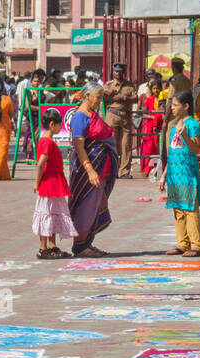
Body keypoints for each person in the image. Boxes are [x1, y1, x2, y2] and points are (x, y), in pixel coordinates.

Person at [66, 83, 117, 257]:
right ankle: (80, 247)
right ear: (87, 96)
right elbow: (79, 146)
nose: (99, 101)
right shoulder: (80, 117)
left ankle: (87, 243)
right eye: (98, 97)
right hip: (87, 171)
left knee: (94, 206)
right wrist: (90, 170)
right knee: (85, 207)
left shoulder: (91, 114)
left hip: (100, 169)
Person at [161, 90, 200, 257]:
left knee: (190, 209)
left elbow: (195, 148)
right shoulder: (174, 127)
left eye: (175, 105)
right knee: (178, 210)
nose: (171, 108)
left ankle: (197, 245)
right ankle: (183, 243)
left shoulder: (193, 125)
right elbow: (172, 151)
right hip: (174, 174)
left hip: (187, 173)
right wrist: (165, 174)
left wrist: (185, 134)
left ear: (186, 106)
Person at [33, 108, 75, 259]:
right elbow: (40, 164)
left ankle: (52, 245)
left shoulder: (46, 141)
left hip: (53, 182)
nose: (59, 127)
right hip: (48, 183)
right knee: (47, 214)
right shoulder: (47, 142)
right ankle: (43, 248)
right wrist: (37, 183)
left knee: (52, 214)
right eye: (58, 125)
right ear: (52, 124)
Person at [103, 62, 135, 179]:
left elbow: (136, 98)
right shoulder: (108, 85)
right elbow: (101, 96)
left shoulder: (130, 85)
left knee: (126, 145)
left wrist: (124, 97)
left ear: (124, 72)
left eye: (120, 71)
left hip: (125, 117)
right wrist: (107, 92)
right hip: (112, 115)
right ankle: (112, 170)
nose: (118, 73)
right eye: (116, 71)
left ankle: (124, 172)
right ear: (113, 72)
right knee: (112, 144)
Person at [139, 76, 165, 177]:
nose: (156, 90)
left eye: (157, 88)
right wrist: (152, 117)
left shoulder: (164, 100)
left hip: (160, 125)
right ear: (151, 89)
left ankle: (159, 169)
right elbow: (143, 114)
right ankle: (148, 169)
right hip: (150, 126)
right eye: (154, 88)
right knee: (149, 148)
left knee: (160, 148)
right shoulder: (148, 100)